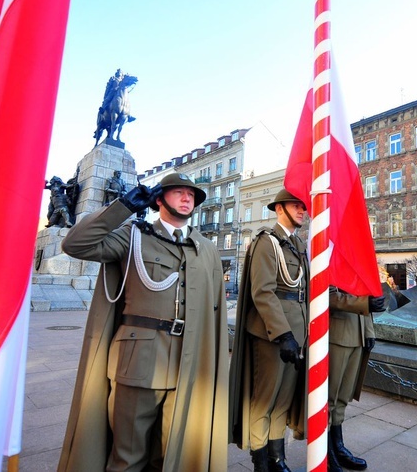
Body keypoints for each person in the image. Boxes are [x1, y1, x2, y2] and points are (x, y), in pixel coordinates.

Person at [58, 173, 228, 472]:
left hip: (189, 366)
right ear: (159, 199)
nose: (187, 198)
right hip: (139, 364)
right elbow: (76, 245)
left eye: (192, 195)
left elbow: (214, 309)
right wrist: (121, 207)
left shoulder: (206, 248)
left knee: (170, 455)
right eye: (179, 192)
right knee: (129, 457)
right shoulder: (134, 235)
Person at [230, 189, 309, 472]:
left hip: (297, 334)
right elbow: (262, 292)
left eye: (303, 206)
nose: (302, 211)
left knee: (283, 401)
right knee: (263, 400)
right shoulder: (267, 242)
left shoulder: (297, 244)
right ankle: (261, 462)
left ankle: (278, 459)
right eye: (296, 206)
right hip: (272, 334)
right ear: (279, 209)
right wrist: (283, 333)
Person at [327, 287, 385, 472]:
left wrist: (368, 331)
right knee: (329, 399)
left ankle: (338, 447)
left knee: (343, 397)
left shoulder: (355, 263)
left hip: (357, 335)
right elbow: (326, 296)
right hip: (336, 333)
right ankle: (326, 452)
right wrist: (364, 304)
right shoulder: (328, 259)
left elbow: (364, 293)